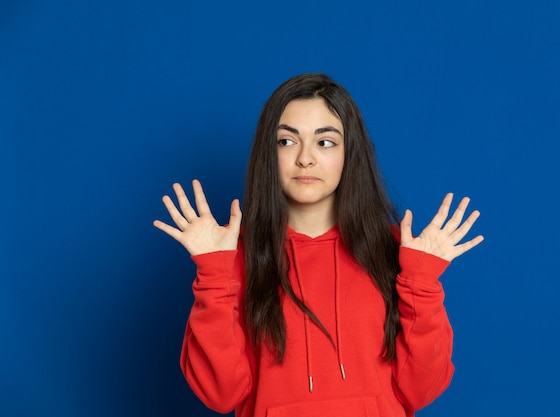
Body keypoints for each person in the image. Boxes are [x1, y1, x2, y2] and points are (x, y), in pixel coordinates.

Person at [153, 73, 484, 417]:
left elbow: (421, 390)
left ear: (349, 152)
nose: (305, 159)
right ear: (268, 153)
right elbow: (220, 395)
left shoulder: (398, 252)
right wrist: (214, 275)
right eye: (286, 141)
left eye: (325, 142)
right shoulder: (231, 256)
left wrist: (422, 284)